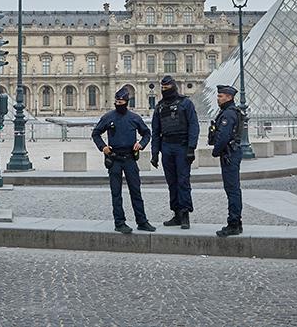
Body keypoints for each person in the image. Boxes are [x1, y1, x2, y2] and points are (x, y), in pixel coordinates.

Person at [92, 86, 155, 234]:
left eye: (121, 102)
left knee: (136, 191)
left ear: (127, 102)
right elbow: (96, 133)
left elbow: (147, 133)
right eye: (117, 102)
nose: (118, 104)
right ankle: (119, 222)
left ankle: (142, 221)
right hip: (114, 158)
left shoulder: (134, 118)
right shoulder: (108, 117)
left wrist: (141, 144)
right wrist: (103, 147)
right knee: (116, 193)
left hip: (130, 159)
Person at [150, 75, 199, 229]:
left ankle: (185, 214)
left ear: (174, 87)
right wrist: (154, 153)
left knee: (183, 181)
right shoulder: (159, 107)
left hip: (182, 146)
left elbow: (194, 126)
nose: (164, 90)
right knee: (171, 182)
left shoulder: (186, 103)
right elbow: (155, 131)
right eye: (163, 88)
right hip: (167, 146)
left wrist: (191, 148)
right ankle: (176, 213)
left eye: (167, 88)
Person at [209, 84, 243, 237]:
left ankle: (233, 223)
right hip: (232, 153)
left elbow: (223, 136)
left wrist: (215, 151)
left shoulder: (228, 114)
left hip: (229, 154)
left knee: (232, 190)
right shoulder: (230, 112)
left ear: (229, 97)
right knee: (233, 189)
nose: (218, 98)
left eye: (220, 96)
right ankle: (237, 223)